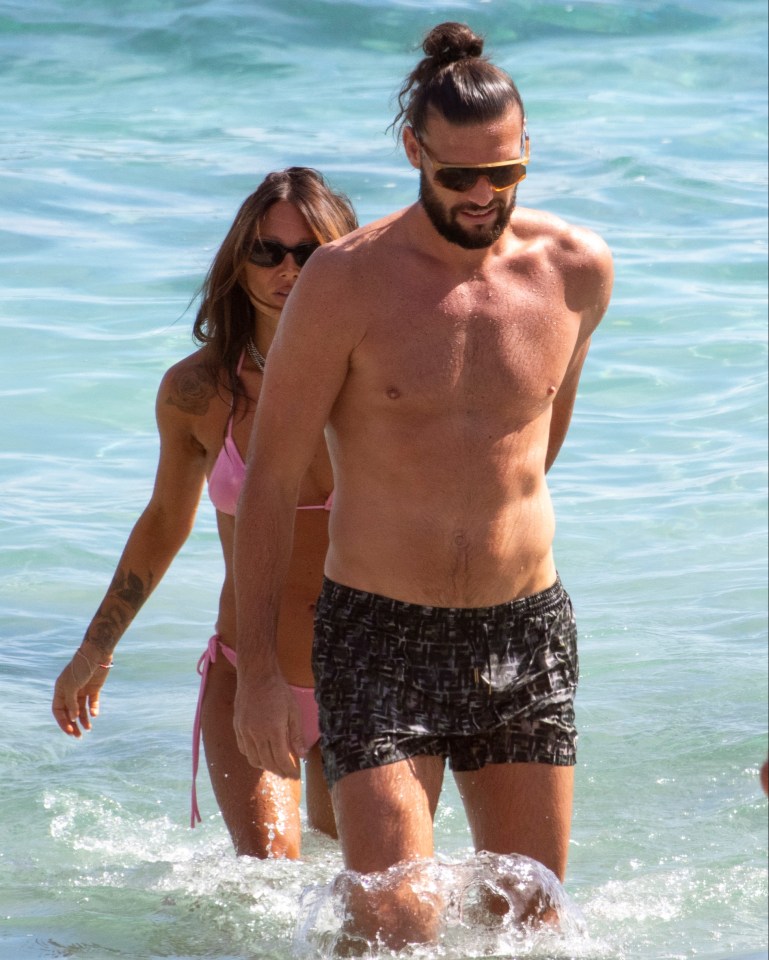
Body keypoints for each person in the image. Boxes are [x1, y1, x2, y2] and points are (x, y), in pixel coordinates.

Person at [233, 21, 613, 947]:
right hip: (379, 633)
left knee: (529, 918)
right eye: (458, 177)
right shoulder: (341, 282)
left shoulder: (575, 272)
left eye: (506, 174)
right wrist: (258, 675)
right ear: (414, 150)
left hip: (523, 630)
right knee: (397, 920)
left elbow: (532, 445)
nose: (483, 197)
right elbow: (272, 479)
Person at [51, 168, 358, 859]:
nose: (288, 269)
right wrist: (96, 648)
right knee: (266, 894)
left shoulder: (375, 381)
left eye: (309, 253)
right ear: (237, 261)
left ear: (342, 258)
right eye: (267, 251)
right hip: (249, 672)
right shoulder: (197, 391)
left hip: (366, 676)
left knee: (368, 895)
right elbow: (164, 520)